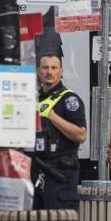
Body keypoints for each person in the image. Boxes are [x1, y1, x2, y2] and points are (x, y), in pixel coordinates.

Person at [32, 53, 87, 210]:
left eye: (54, 68)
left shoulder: (69, 100)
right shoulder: (35, 98)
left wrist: (52, 116)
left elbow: (81, 135)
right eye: (45, 67)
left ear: (61, 71)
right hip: (37, 170)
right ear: (39, 71)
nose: (49, 72)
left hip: (60, 174)